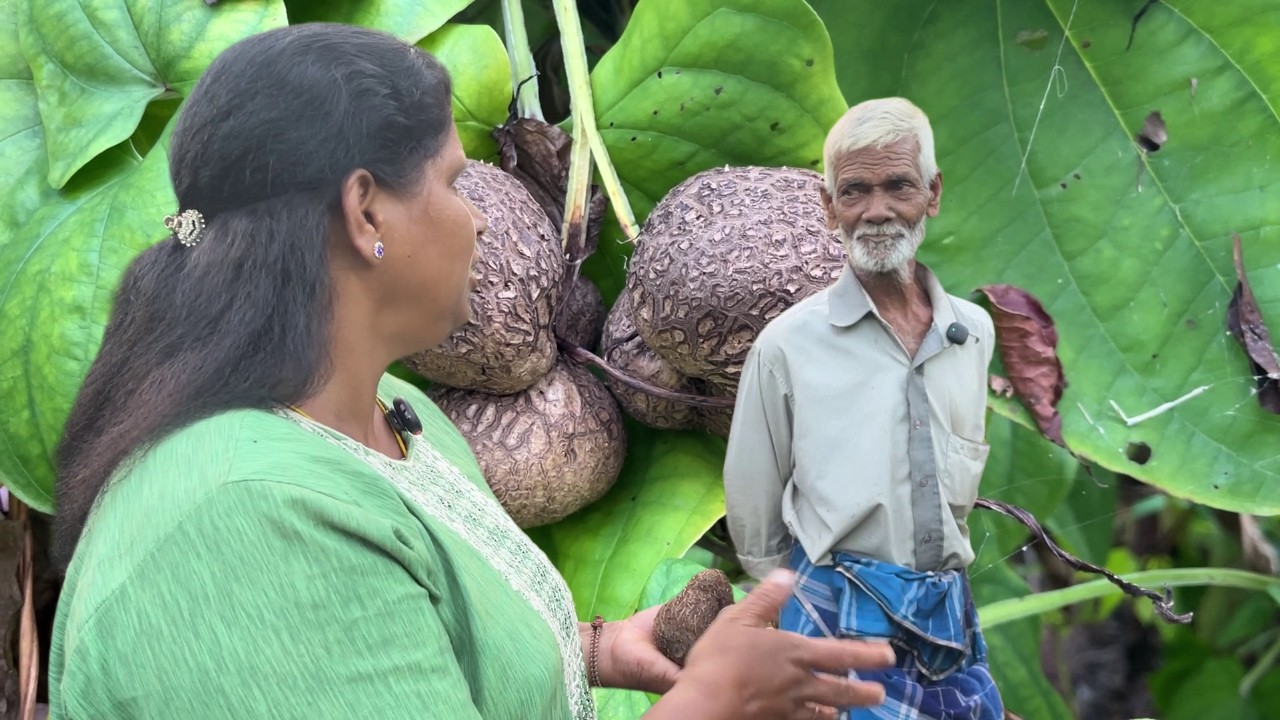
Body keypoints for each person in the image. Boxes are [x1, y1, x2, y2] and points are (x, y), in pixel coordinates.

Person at [45, 23, 898, 720]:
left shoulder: (388, 410)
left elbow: (394, 647)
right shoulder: (241, 524)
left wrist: (597, 649)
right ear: (366, 212)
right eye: (457, 184)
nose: (482, 223)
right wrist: (713, 703)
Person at [723, 97, 1004, 719]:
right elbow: (755, 512)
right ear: (829, 208)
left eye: (898, 185)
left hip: (946, 607)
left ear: (932, 193)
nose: (877, 211)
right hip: (833, 605)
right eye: (854, 192)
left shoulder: (973, 333)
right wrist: (791, 620)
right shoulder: (787, 345)